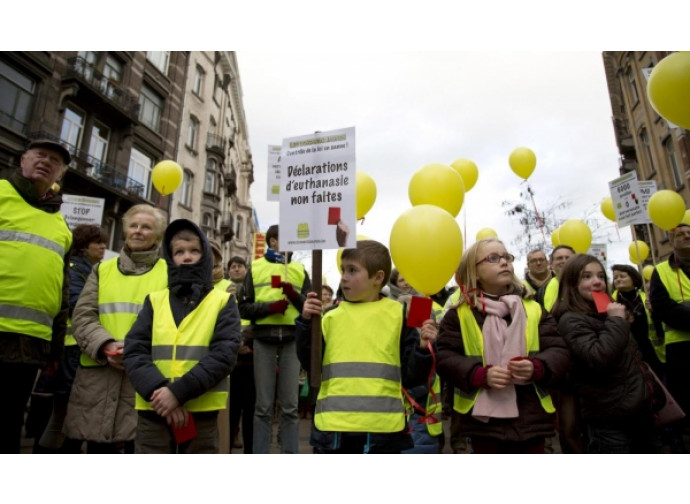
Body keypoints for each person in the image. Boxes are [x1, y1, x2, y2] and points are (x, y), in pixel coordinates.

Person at [296, 239, 437, 453]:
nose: (343, 277)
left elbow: (412, 377)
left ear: (378, 278)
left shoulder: (399, 315)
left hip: (383, 431)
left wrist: (422, 349)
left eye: (352, 270)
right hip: (334, 429)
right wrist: (306, 323)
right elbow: (310, 364)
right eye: (343, 270)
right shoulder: (329, 317)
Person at [436, 238, 569, 454]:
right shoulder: (459, 314)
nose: (504, 262)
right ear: (475, 272)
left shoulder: (533, 308)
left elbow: (559, 351)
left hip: (530, 414)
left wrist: (538, 367)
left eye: (506, 257)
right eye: (493, 258)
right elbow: (445, 357)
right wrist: (478, 374)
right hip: (483, 421)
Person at [123, 219, 241, 453]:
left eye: (194, 251)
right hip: (154, 410)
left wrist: (178, 393)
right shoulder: (155, 301)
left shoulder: (223, 301)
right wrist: (162, 394)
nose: (186, 257)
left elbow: (224, 355)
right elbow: (135, 350)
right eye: (179, 252)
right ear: (170, 257)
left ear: (205, 255)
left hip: (201, 413)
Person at [64, 204, 168, 453]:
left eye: (146, 227)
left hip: (145, 377)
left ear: (158, 235)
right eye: (134, 225)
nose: (138, 231)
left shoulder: (169, 274)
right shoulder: (102, 270)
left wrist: (135, 353)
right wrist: (106, 345)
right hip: (99, 375)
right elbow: (83, 316)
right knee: (99, 449)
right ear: (125, 230)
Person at [0, 139, 73, 453]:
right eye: (40, 155)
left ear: (59, 173)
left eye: (54, 160)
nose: (46, 162)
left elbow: (61, 289)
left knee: (9, 423)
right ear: (22, 160)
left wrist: (55, 350)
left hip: (29, 344)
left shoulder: (60, 224)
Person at [553, 254, 662, 453]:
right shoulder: (571, 319)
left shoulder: (606, 314)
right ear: (571, 283)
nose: (597, 282)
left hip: (640, 414)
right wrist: (617, 322)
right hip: (611, 422)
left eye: (601, 276)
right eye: (586, 277)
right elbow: (599, 357)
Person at [34, 224, 108, 453]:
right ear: (85, 245)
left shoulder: (91, 268)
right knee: (63, 411)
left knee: (66, 412)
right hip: (69, 350)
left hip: (77, 349)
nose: (103, 248)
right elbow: (77, 303)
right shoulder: (77, 269)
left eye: (105, 243)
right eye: (98, 243)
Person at [238, 224, 311, 454]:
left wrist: (293, 295)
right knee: (263, 407)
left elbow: (309, 308)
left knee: (290, 406)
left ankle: (289, 453)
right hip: (263, 339)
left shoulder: (299, 269)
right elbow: (243, 308)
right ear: (272, 242)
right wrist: (270, 308)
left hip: (291, 340)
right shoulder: (256, 267)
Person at [650, 222, 690, 451]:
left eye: (689, 233)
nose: (686, 237)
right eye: (680, 234)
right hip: (681, 349)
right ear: (671, 241)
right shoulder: (662, 271)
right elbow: (662, 306)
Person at [611, 264, 665, 376]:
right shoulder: (611, 301)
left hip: (652, 352)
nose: (618, 279)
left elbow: (661, 325)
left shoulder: (647, 297)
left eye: (622, 276)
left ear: (633, 278)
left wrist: (654, 311)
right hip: (628, 354)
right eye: (615, 277)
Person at [225, 255, 255, 453]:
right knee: (231, 408)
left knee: (250, 408)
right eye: (233, 266)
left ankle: (250, 449)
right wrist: (235, 344)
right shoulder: (220, 289)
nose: (236, 269)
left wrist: (245, 340)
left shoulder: (253, 288)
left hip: (251, 359)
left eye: (240, 266)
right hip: (229, 361)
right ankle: (228, 442)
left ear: (246, 269)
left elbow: (257, 316)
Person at [535, 245, 575, 311]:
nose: (564, 261)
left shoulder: (590, 286)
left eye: (568, 258)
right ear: (551, 264)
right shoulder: (541, 293)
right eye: (559, 258)